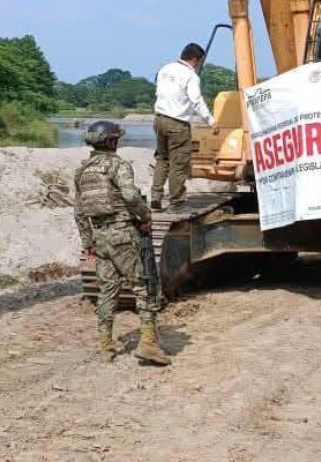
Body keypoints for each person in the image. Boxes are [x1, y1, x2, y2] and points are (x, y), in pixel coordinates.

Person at [73, 120, 170, 365]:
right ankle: (148, 344)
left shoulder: (82, 171)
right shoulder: (117, 165)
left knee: (107, 290)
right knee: (144, 285)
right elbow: (129, 195)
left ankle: (105, 345)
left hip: (100, 238)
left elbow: (79, 211)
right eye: (116, 138)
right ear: (111, 141)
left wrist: (88, 242)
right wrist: (146, 217)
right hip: (123, 234)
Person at [151, 42, 220, 212]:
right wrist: (211, 121)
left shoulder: (165, 69)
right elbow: (196, 101)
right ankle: (177, 202)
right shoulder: (190, 75)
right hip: (177, 123)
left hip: (159, 119)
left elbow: (159, 92)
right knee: (179, 163)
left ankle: (155, 196)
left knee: (162, 159)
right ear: (196, 59)